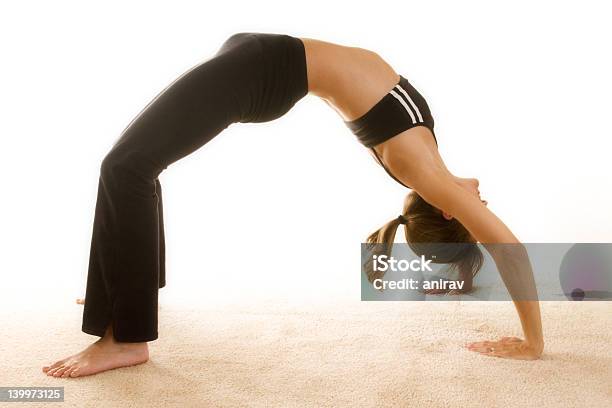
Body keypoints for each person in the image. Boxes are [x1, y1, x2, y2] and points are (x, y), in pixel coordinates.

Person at [43, 32, 544, 378]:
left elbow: (510, 249)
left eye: (473, 208)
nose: (483, 199)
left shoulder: (427, 172)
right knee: (133, 166)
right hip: (260, 59)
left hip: (264, 71)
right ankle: (127, 289)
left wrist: (533, 343)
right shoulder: (434, 165)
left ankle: (128, 339)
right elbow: (470, 189)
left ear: (448, 211)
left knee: (125, 167)